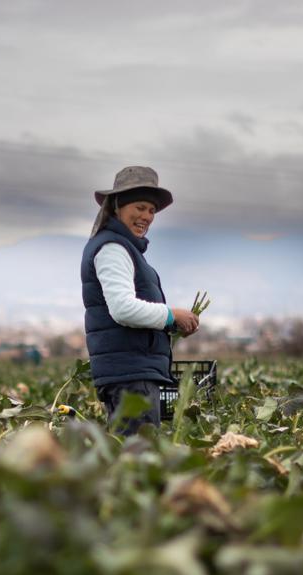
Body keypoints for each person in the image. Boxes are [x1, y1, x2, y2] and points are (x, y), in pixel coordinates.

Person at [81, 166, 200, 434]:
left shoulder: (123, 248)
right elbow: (122, 309)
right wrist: (172, 315)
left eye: (152, 211)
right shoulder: (112, 249)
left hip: (134, 372)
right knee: (137, 462)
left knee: (134, 458)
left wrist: (171, 326)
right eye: (140, 207)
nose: (146, 216)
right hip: (131, 375)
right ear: (117, 206)